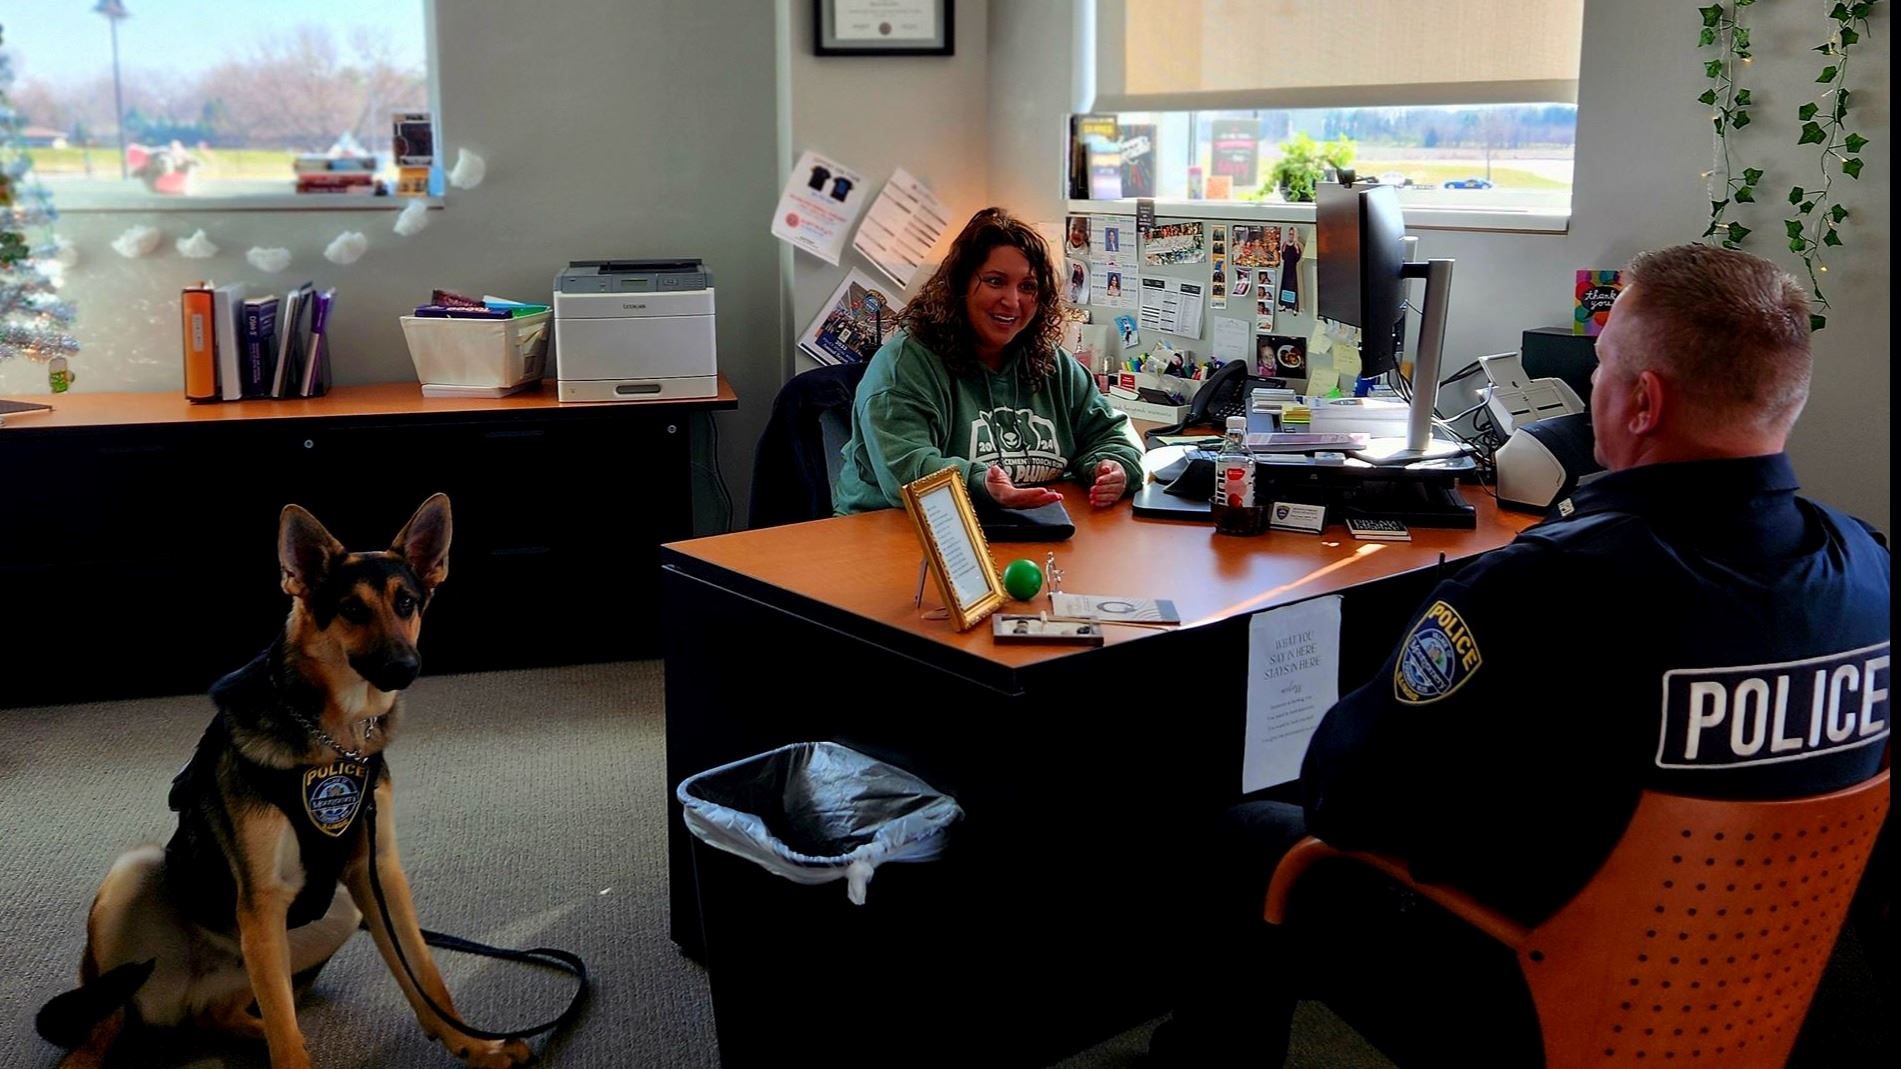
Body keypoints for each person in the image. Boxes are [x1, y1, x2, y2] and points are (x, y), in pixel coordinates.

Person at [1152, 243, 1891, 1066]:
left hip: (1546, 993)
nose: (1591, 389)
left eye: (1601, 364)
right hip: (1756, 990)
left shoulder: (1542, 585)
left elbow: (1343, 794)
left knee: (1248, 835)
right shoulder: (1869, 572)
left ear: (1641, 402)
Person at [833, 207, 1143, 515]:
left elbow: (1109, 434)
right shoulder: (905, 364)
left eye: (1028, 286)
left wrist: (1113, 466)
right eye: (995, 281)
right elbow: (906, 470)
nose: (1012, 301)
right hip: (897, 531)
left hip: (1023, 527)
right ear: (961, 286)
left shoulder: (1054, 364)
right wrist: (982, 483)